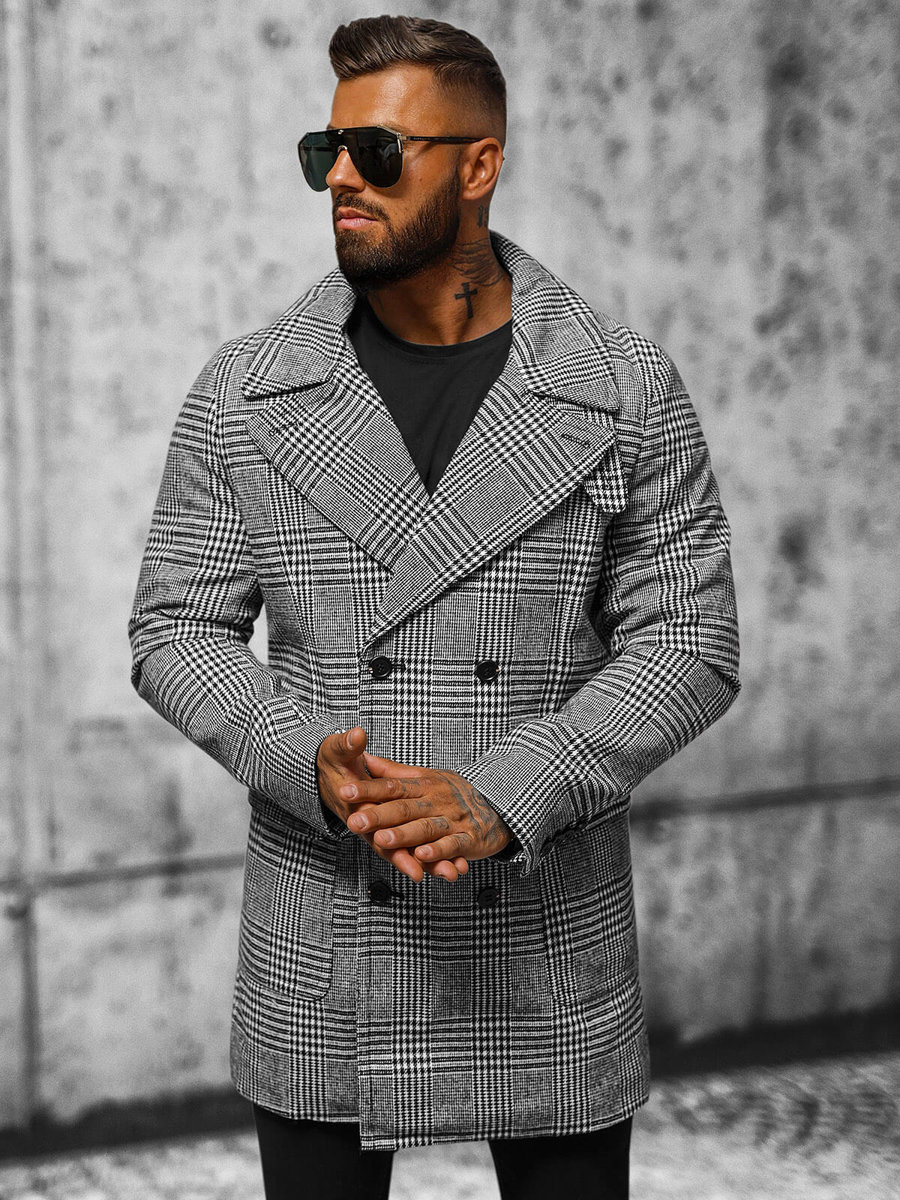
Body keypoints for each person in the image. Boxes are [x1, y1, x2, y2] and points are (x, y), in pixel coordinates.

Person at [128, 14, 740, 1199]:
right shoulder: (247, 391)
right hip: (326, 922)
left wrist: (509, 790)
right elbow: (175, 628)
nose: (341, 180)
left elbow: (691, 640)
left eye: (378, 152)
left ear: (478, 165)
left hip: (542, 922)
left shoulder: (620, 386)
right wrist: (308, 761)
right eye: (326, 152)